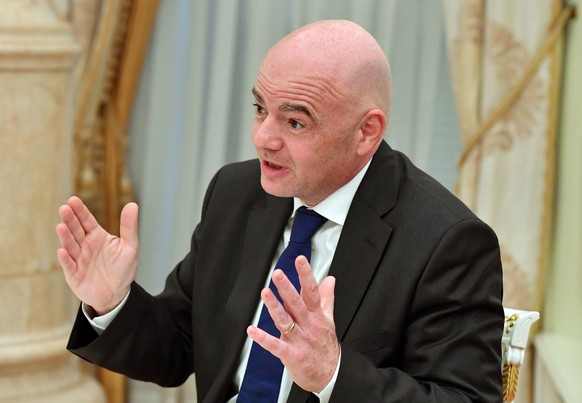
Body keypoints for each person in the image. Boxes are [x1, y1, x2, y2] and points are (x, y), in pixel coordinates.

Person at [56, 20, 503, 403]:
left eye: (295, 122)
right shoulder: (237, 192)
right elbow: (179, 344)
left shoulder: (446, 240)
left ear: (366, 132)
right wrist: (112, 302)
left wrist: (333, 373)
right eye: (259, 109)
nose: (263, 138)